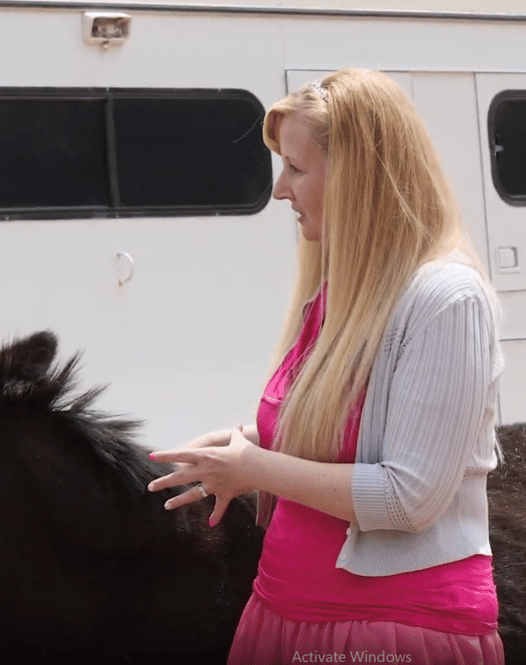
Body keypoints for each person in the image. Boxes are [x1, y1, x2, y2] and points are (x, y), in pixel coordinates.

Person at [146, 69, 504, 664]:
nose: (279, 189)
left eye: (296, 168)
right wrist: (250, 444)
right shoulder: (341, 293)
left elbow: (407, 498)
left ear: (357, 179)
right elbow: (347, 435)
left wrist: (256, 467)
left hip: (390, 629)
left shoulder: (445, 299)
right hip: (290, 611)